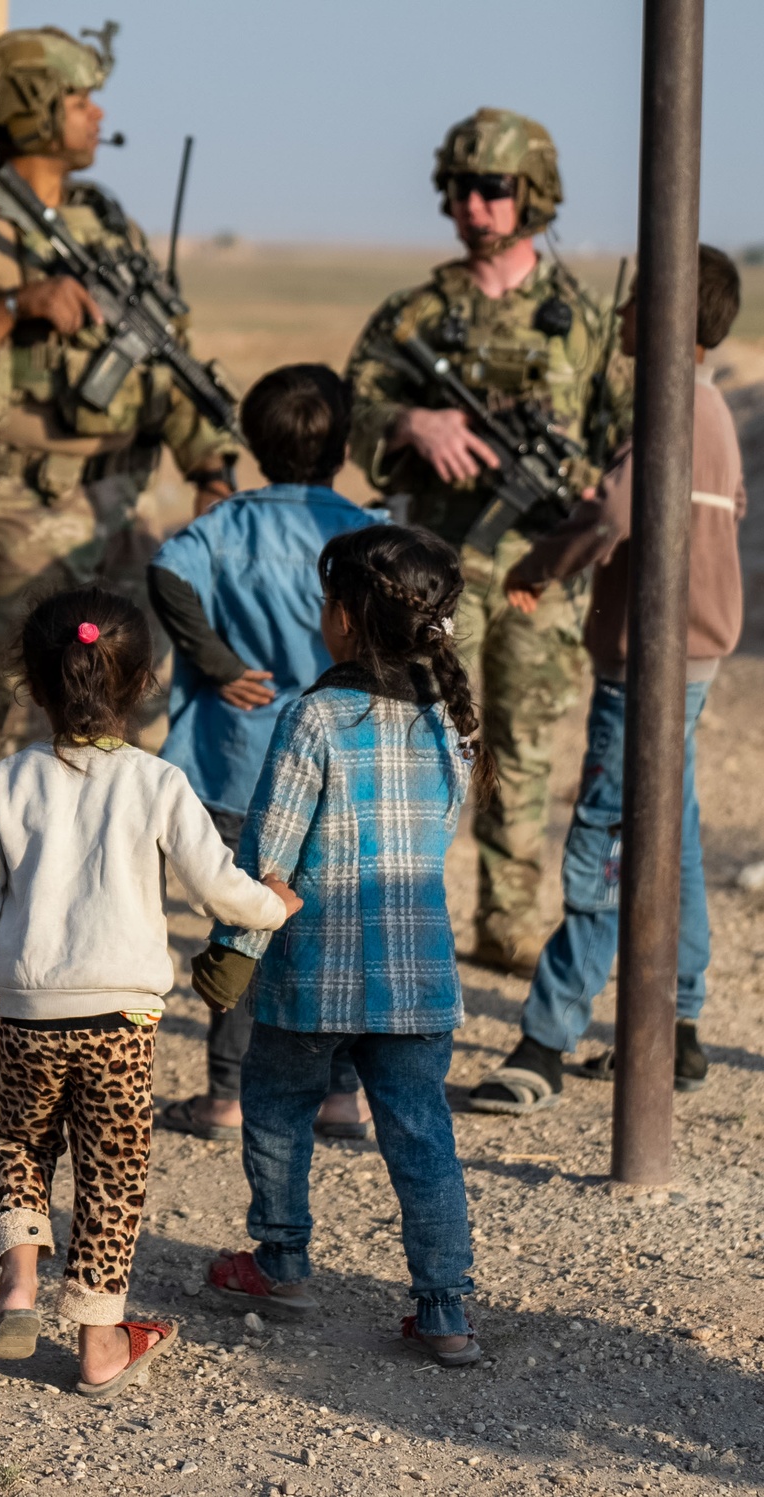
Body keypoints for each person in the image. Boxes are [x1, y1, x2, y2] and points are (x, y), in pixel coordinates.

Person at [0, 584, 300, 1396]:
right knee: (112, 1169)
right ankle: (101, 1340)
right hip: (121, 1021)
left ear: (33, 685)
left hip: (31, 1011)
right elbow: (219, 886)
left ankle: (19, 1289)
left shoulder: (6, 781)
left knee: (23, 1145)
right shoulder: (159, 782)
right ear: (143, 684)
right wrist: (270, 905)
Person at [0, 26, 236, 778]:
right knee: (26, 714)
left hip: (124, 500)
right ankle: (10, 892)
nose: (97, 115)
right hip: (19, 507)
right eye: (80, 98)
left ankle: (112, 889)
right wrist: (14, 304)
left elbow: (162, 359)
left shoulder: (104, 223)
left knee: (136, 707)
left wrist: (210, 469)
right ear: (32, 108)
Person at [192, 525, 492, 1365]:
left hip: (313, 975)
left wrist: (229, 944)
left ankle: (281, 1261)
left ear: (349, 617)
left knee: (279, 1107)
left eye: (327, 601)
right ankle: (446, 1309)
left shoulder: (316, 717)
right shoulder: (452, 722)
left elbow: (267, 855)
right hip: (419, 980)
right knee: (422, 1136)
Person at [346, 109, 631, 976]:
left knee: (523, 746)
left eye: (495, 188)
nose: (474, 204)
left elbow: (630, 441)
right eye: (462, 187)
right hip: (438, 573)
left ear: (532, 193)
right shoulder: (416, 315)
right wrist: (410, 420)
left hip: (544, 575)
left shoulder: (584, 321)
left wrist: (590, 489)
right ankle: (400, 915)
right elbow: (351, 412)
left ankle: (506, 924)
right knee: (421, 741)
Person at [469, 245, 745, 1114]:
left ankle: (544, 1043)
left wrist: (544, 562)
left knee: (601, 843)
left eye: (631, 305)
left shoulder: (669, 409)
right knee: (674, 836)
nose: (618, 316)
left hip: (646, 667)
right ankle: (681, 1029)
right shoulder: (715, 410)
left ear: (662, 315)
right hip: (691, 659)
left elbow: (617, 513)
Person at [148, 364, 385, 1141]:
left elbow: (166, 574)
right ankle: (339, 1094)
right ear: (346, 445)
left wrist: (218, 665)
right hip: (342, 766)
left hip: (237, 758)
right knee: (334, 928)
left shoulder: (231, 520)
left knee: (239, 921)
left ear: (250, 444)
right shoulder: (364, 528)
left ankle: (228, 1092)